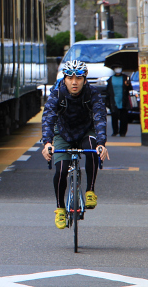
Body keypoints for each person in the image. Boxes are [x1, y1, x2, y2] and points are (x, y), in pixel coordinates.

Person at [41, 60, 110, 229]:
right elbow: (48, 118)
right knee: (61, 170)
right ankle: (60, 209)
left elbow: (100, 117)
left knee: (93, 148)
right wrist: (47, 143)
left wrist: (101, 143)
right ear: (64, 79)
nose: (74, 82)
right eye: (70, 77)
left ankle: (90, 190)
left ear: (85, 79)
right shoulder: (57, 94)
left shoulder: (92, 93)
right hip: (63, 134)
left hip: (86, 131)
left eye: (78, 78)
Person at [105, 66, 132, 137]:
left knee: (124, 117)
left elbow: (130, 88)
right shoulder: (111, 79)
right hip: (113, 100)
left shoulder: (125, 77)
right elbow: (108, 91)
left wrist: (127, 84)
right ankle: (115, 131)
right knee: (114, 116)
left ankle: (123, 132)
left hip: (123, 99)